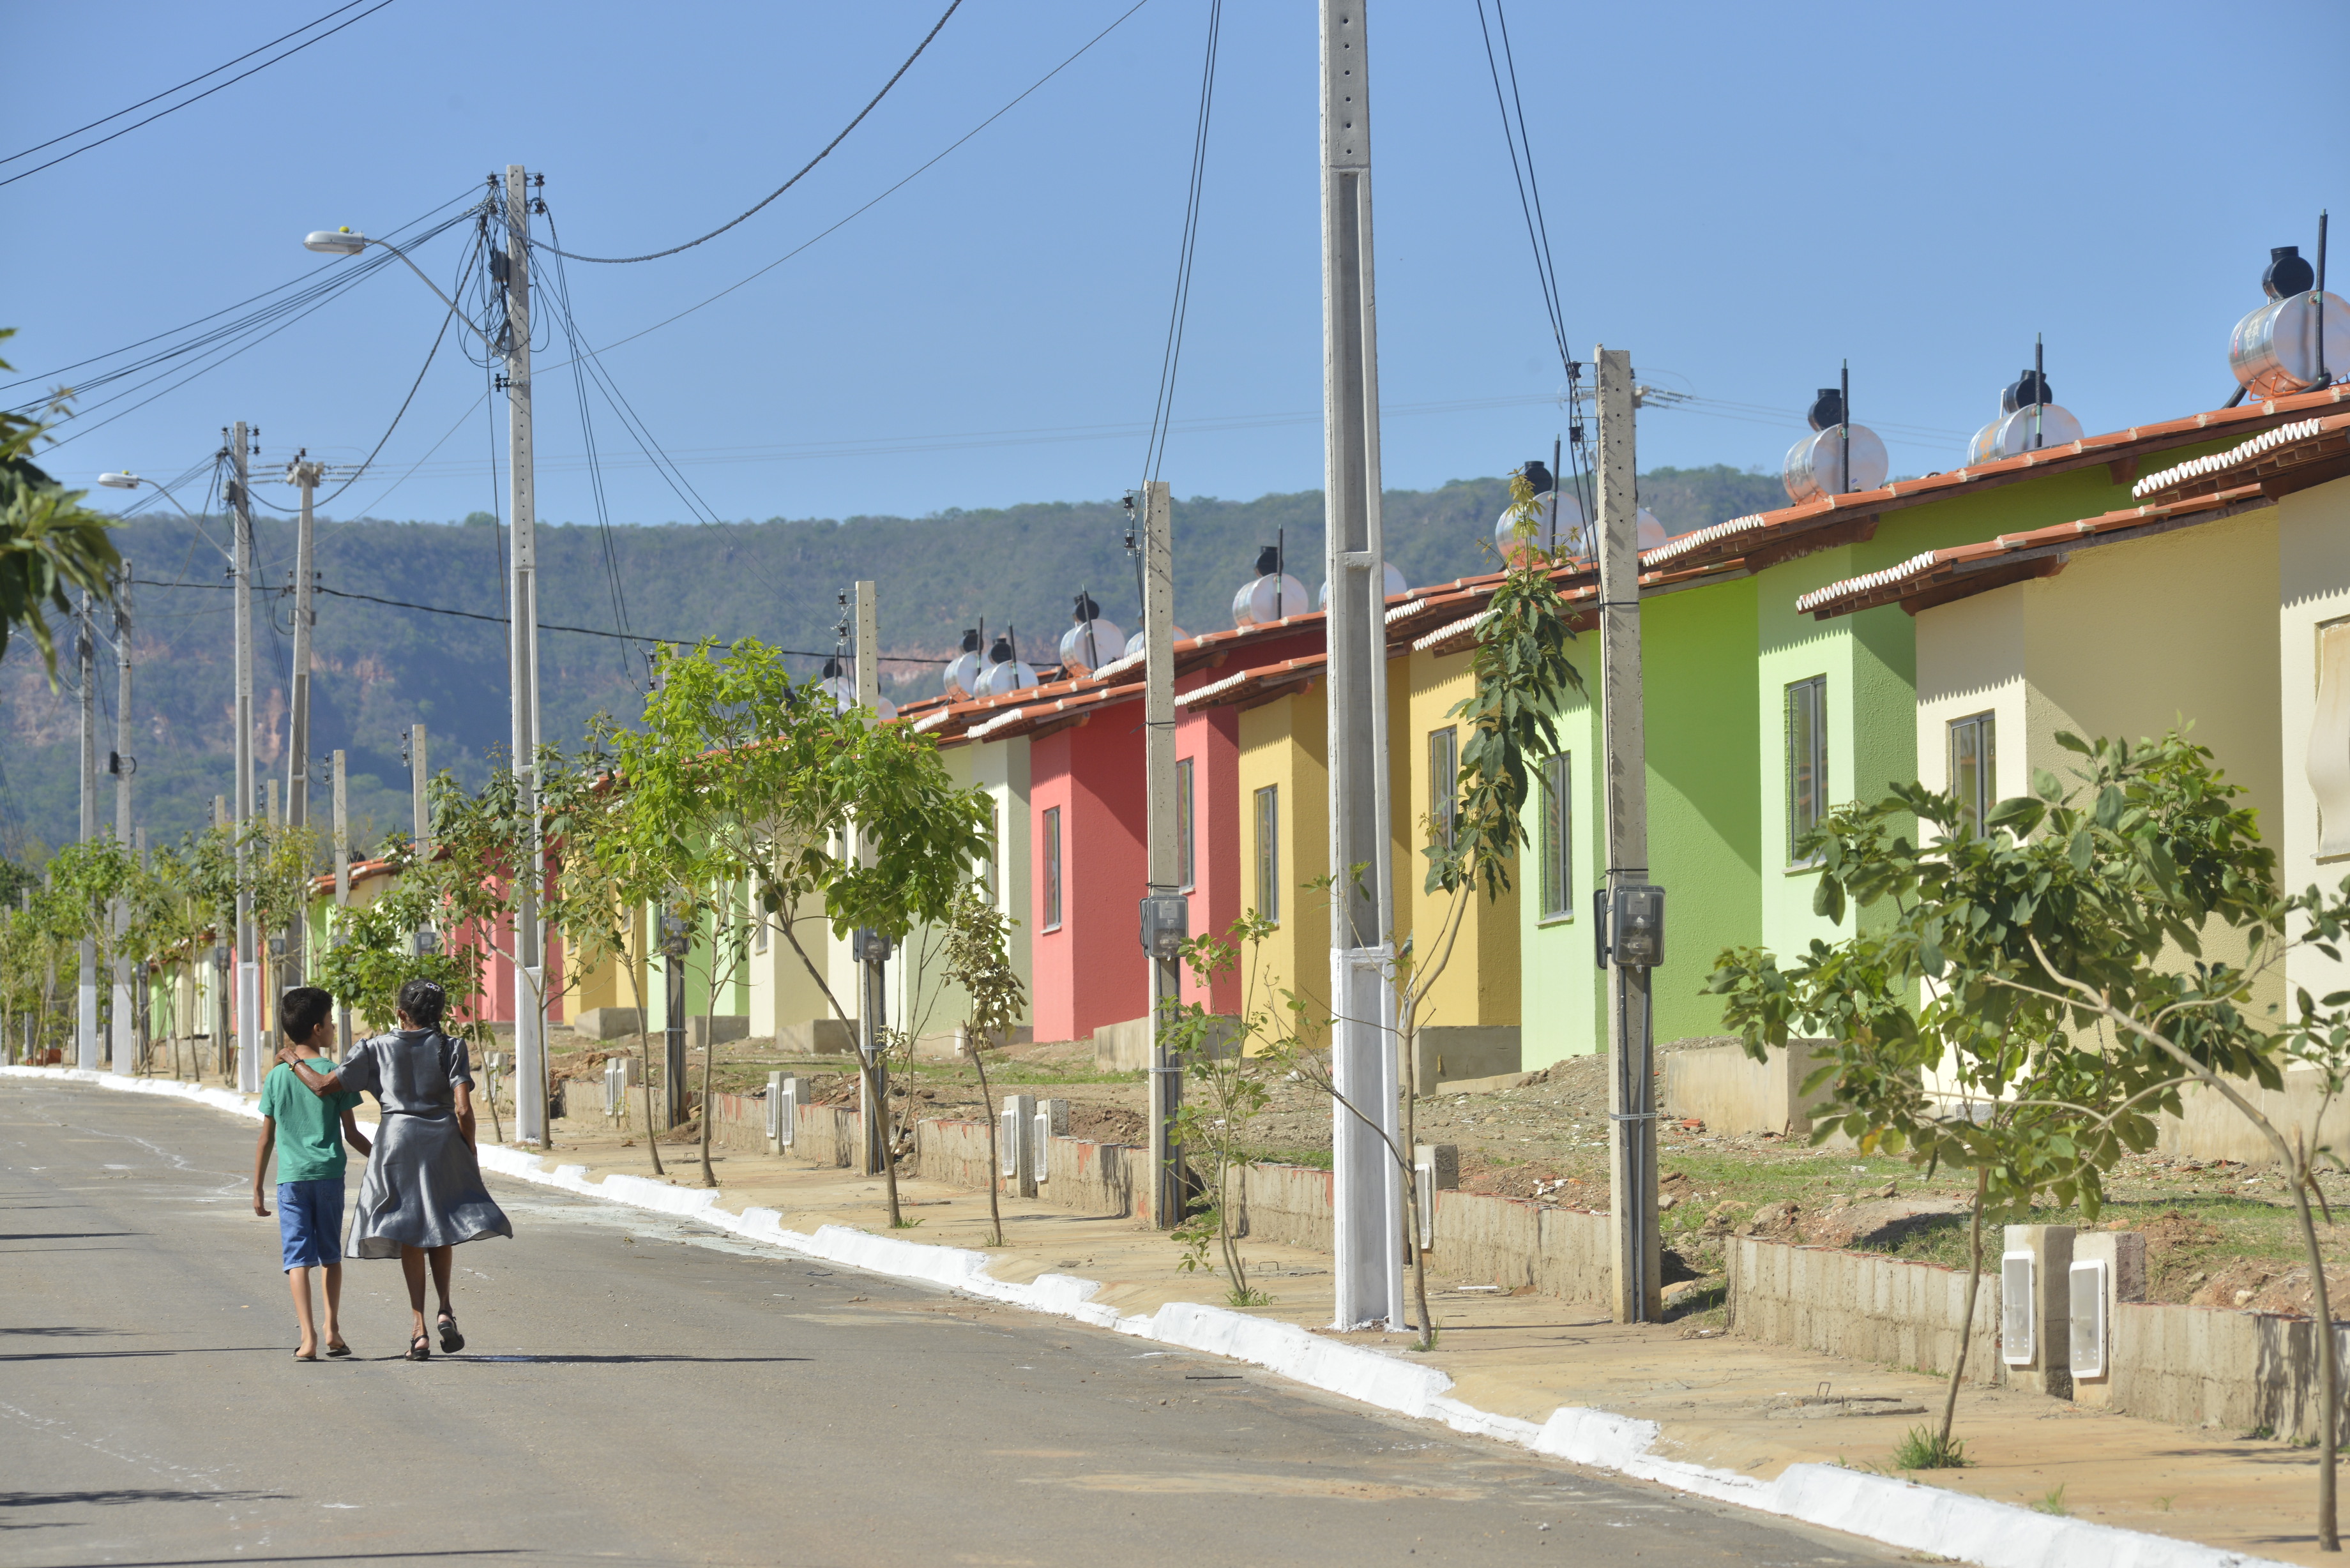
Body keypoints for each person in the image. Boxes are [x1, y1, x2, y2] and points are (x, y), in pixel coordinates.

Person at [277, 977, 512, 1361]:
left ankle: (419, 1329)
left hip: (397, 1145)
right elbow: (464, 1109)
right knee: (443, 1225)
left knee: (410, 1235)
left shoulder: (375, 1048)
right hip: (442, 1144)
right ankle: (445, 1309)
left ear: (401, 1014)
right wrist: (468, 1148)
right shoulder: (452, 1046)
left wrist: (292, 1058)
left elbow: (321, 1086)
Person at [252, 986, 370, 1362]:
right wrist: (384, 1158)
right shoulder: (335, 1074)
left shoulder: (276, 1077)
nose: (335, 1027)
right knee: (330, 1256)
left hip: (291, 1180)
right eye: (333, 1022)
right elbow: (351, 1135)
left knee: (297, 1259)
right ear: (318, 1028)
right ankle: (332, 1328)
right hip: (329, 1177)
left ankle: (307, 1338)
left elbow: (266, 1138)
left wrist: (256, 1187)